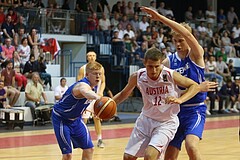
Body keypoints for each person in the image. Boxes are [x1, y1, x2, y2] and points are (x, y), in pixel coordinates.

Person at [141, 7, 218, 160]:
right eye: (175, 41)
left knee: (191, 146)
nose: (178, 44)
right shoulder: (169, 60)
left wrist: (160, 18)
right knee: (169, 156)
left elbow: (187, 33)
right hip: (174, 112)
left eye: (181, 40)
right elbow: (155, 79)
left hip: (194, 110)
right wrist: (196, 88)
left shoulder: (197, 54)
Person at [112, 47, 200, 160]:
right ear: (144, 63)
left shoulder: (170, 74)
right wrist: (108, 104)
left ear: (161, 64)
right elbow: (124, 93)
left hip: (166, 123)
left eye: (156, 66)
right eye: (150, 66)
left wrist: (180, 100)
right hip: (145, 120)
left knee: (149, 156)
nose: (153, 70)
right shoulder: (137, 76)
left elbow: (194, 86)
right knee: (128, 157)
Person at [52, 61, 103, 160]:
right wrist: (99, 99)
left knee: (89, 149)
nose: (98, 76)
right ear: (87, 74)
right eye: (95, 74)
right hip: (61, 119)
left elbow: (84, 102)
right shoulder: (82, 85)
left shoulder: (94, 87)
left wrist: (96, 111)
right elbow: (86, 92)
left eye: (99, 74)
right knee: (67, 155)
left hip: (76, 119)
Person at [77, 51, 106, 148]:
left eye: (93, 55)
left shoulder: (101, 68)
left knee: (97, 118)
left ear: (96, 57)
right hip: (86, 97)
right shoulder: (83, 69)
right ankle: (82, 139)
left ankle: (99, 139)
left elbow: (103, 82)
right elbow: (79, 83)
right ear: (87, 57)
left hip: (96, 97)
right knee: (84, 119)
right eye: (89, 55)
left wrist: (101, 92)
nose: (92, 57)